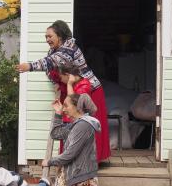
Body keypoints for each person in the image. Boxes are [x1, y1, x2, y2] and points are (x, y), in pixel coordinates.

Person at [16, 20, 110, 162]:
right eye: (45, 37)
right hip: (72, 89)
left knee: (86, 124)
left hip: (88, 90)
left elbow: (50, 62)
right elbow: (50, 70)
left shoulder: (68, 48)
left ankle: (90, 160)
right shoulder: (54, 51)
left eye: (50, 36)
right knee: (70, 125)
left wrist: (29, 66)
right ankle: (71, 158)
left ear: (59, 36)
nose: (47, 39)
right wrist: (56, 83)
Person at [42, 93, 100, 186]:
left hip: (81, 182)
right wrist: (57, 113)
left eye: (66, 106)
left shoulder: (84, 126)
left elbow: (70, 154)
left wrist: (50, 161)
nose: (64, 109)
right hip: (73, 178)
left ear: (77, 107)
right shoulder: (76, 125)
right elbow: (56, 133)